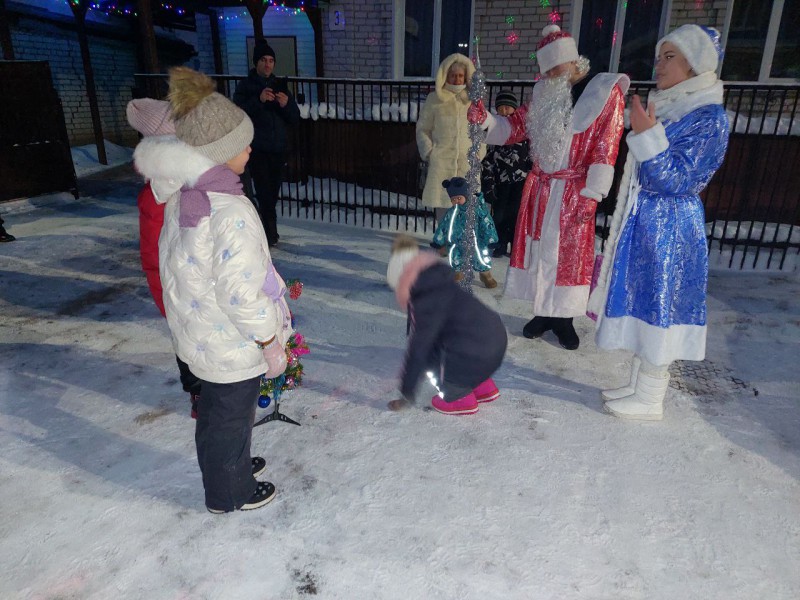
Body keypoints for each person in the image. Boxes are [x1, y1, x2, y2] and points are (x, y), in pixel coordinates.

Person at [140, 66, 293, 512]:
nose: (250, 148)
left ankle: (232, 465)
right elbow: (240, 292)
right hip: (232, 337)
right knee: (229, 415)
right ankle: (230, 491)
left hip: (203, 332)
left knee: (216, 412)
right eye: (241, 144)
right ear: (217, 153)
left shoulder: (184, 196)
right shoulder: (228, 211)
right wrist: (268, 338)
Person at [588, 25, 729, 421]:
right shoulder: (673, 106)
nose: (659, 64)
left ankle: (650, 397)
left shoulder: (709, 117)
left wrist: (648, 137)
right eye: (659, 56)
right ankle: (638, 383)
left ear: (694, 64)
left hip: (671, 228)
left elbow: (678, 180)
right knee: (645, 301)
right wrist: (648, 133)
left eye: (670, 56)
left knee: (661, 307)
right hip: (648, 222)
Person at [469, 25, 628, 350]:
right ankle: (543, 312)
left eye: (556, 65)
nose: (552, 72)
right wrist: (484, 119)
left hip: (575, 190)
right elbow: (513, 128)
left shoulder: (604, 91)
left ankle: (564, 319)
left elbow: (606, 143)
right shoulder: (545, 94)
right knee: (540, 252)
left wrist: (594, 191)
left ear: (573, 60)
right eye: (546, 68)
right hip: (541, 189)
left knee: (567, 257)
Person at [128, 98, 202, 419]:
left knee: (207, 340)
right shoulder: (156, 198)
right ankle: (198, 394)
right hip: (176, 291)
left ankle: (216, 389)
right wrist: (167, 300)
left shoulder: (195, 184)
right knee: (186, 344)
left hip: (202, 285)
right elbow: (153, 257)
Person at [386, 236, 507, 415]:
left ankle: (459, 397)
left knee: (432, 356)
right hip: (495, 343)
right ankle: (484, 387)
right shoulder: (439, 282)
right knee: (456, 339)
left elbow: (420, 350)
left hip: (477, 353)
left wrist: (407, 394)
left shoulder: (425, 302)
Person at [233, 39, 300, 247]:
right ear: (256, 63)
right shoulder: (246, 86)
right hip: (258, 149)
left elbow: (294, 117)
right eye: (263, 60)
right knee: (263, 193)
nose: (268, 64)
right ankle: (269, 235)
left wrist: (286, 104)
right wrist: (259, 100)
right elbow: (238, 113)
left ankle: (267, 231)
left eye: (271, 60)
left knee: (272, 193)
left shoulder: (279, 85)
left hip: (278, 149)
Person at [416, 54, 486, 221]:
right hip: (442, 163)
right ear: (446, 75)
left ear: (466, 76)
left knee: (467, 209)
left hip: (467, 163)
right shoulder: (434, 100)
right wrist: (429, 151)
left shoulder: (473, 101)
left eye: (460, 75)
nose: (457, 79)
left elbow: (480, 130)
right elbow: (422, 129)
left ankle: (462, 245)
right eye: (453, 75)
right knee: (443, 212)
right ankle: (444, 246)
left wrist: (478, 154)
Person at [480, 91, 531, 258]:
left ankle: (514, 245)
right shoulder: (496, 133)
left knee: (516, 214)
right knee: (500, 214)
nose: (504, 112)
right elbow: (488, 161)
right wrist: (488, 184)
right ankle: (500, 243)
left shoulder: (523, 131)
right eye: (500, 109)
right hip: (501, 183)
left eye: (507, 108)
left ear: (515, 110)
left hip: (520, 182)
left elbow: (531, 156)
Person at [430, 176, 499, 289]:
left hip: (476, 243)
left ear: (466, 196)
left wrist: (492, 239)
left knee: (481, 259)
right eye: (453, 199)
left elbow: (487, 224)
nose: (456, 201)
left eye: (459, 198)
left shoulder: (477, 210)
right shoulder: (451, 213)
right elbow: (443, 226)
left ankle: (485, 274)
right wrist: (438, 241)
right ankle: (458, 273)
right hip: (457, 243)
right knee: (456, 258)